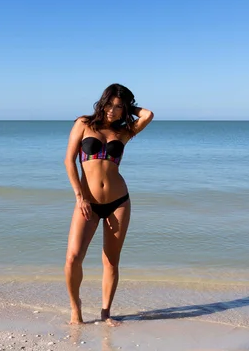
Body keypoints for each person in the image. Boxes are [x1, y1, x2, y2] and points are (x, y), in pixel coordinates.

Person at [64, 83, 154, 326]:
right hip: (87, 203)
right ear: (102, 102)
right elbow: (69, 160)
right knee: (73, 258)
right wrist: (79, 196)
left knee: (111, 261)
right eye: (110, 105)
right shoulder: (84, 124)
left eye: (119, 107)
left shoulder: (125, 132)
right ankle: (76, 309)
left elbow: (148, 115)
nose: (112, 111)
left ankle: (106, 312)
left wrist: (128, 107)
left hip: (118, 202)